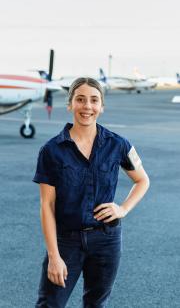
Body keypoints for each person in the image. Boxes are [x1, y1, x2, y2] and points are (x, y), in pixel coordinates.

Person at [33, 77, 150, 308]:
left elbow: (142, 180)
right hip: (66, 241)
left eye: (94, 100)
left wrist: (123, 208)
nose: (87, 106)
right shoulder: (51, 151)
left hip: (106, 239)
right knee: (49, 304)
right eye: (80, 100)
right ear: (70, 105)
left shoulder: (118, 144)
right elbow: (46, 206)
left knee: (96, 304)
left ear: (102, 106)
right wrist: (54, 256)